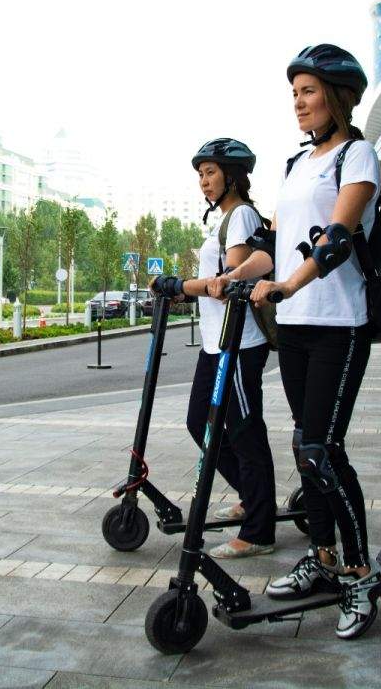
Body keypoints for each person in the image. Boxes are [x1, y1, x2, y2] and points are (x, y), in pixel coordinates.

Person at [218, 43, 381, 639]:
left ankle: (360, 572)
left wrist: (288, 284)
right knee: (302, 448)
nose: (299, 103)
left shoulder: (358, 155)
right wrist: (237, 277)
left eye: (309, 92)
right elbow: (273, 244)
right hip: (296, 325)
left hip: (339, 323)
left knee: (323, 450)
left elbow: (337, 237)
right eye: (294, 94)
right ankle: (324, 555)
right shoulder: (295, 165)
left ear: (337, 97)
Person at [153, 138, 277, 559]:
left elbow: (227, 285)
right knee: (197, 421)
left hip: (239, 344)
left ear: (232, 175)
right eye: (200, 175)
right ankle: (251, 494)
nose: (204, 182)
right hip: (216, 343)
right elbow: (212, 284)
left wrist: (181, 286)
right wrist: (184, 291)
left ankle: (259, 529)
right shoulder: (223, 220)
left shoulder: (240, 216)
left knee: (245, 430)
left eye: (210, 173)